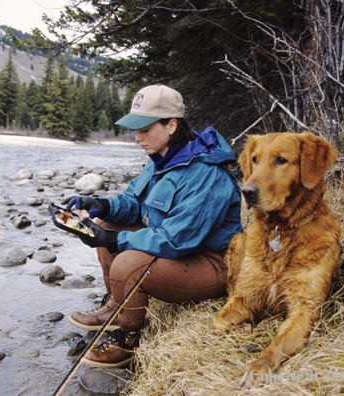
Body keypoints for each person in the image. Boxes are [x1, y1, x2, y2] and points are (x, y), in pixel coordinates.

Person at [61, 84, 243, 368]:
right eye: (136, 130)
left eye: (144, 129)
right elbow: (133, 203)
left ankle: (128, 338)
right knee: (106, 223)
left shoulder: (207, 174)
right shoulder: (161, 158)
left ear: (171, 125)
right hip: (182, 252)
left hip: (212, 263)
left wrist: (112, 240)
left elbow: (175, 240)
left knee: (126, 261)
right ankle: (116, 306)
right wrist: (101, 204)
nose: (137, 137)